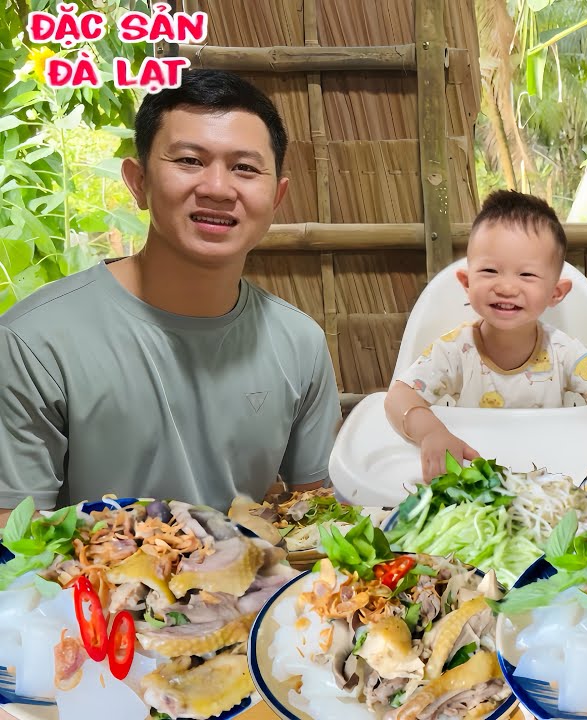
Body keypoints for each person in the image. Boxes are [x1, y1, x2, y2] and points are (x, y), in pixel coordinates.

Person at [0, 70, 340, 523]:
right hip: (85, 590)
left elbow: (317, 516)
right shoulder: (34, 341)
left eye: (244, 168)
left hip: (256, 587)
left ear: (277, 196)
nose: (218, 188)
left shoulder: (299, 341)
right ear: (138, 181)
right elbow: (14, 537)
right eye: (189, 160)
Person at [385, 190, 587, 480]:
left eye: (526, 275)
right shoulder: (454, 351)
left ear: (556, 293)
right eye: (490, 270)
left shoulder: (563, 352)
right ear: (466, 282)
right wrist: (431, 432)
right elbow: (398, 396)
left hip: (551, 479)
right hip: (478, 481)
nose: (507, 287)